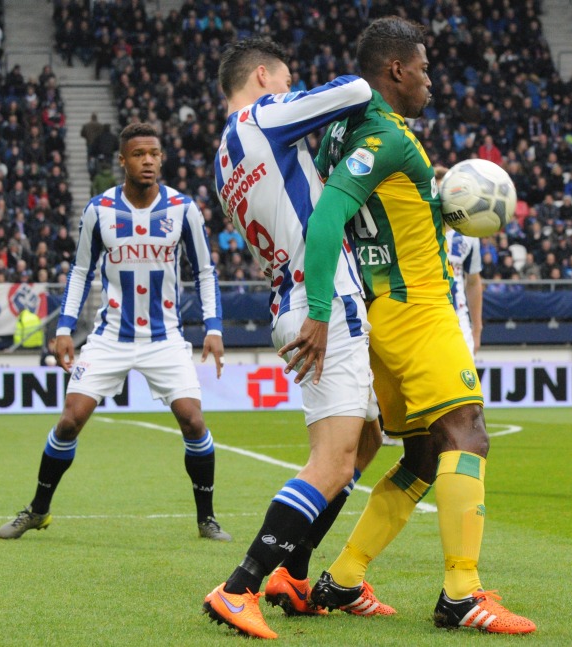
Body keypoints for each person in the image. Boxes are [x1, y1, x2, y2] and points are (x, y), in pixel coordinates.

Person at [283, 17, 536, 635]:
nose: (429, 81)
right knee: (469, 435)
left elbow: (356, 206)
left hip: (379, 311)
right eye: (422, 68)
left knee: (422, 456)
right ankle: (462, 594)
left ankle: (341, 580)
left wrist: (430, 192)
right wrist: (317, 313)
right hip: (416, 305)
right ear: (395, 69)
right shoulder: (386, 135)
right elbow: (326, 219)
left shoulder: (340, 132)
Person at [202, 39, 383, 639]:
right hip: (323, 304)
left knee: (368, 439)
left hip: (291, 296)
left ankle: (294, 572)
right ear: (262, 76)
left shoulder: (225, 157)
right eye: (286, 80)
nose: (291, 88)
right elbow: (357, 89)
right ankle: (242, 586)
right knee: (331, 463)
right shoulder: (262, 115)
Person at [0, 123, 231, 542]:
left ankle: (206, 518)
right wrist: (65, 326)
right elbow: (81, 271)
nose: (148, 161)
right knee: (70, 420)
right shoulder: (99, 210)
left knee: (193, 421)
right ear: (122, 160)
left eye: (155, 154)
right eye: (139, 154)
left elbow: (206, 271)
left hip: (165, 339)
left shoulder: (182, 209)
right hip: (109, 337)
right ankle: (38, 510)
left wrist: (213, 326)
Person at [435, 165, 484, 357]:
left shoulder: (469, 232)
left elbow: (473, 281)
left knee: (466, 386)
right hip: (423, 318)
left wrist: (477, 329)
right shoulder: (417, 229)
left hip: (458, 321)